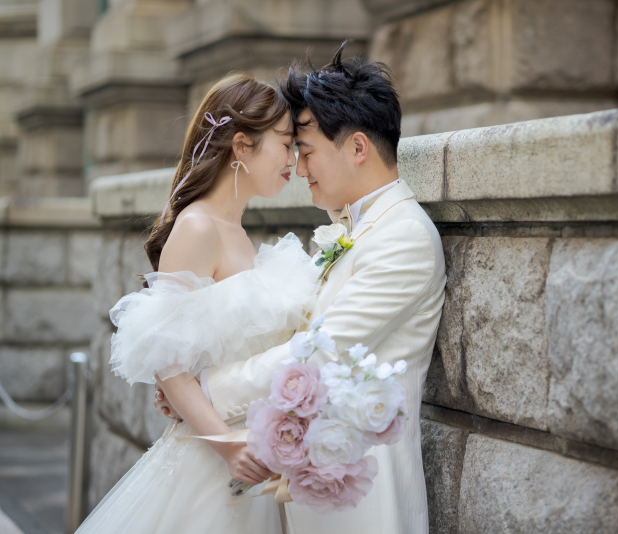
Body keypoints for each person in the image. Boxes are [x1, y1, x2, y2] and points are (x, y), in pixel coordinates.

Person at [158, 42, 447, 533]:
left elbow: (317, 354)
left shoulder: (403, 238)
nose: (300, 167)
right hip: (299, 489)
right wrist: (184, 384)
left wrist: (207, 389)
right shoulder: (351, 229)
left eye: (306, 150)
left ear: (357, 148)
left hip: (359, 503)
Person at [76, 73, 318, 534]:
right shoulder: (198, 226)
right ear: (242, 147)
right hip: (214, 458)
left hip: (247, 454)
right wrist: (226, 444)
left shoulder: (236, 231)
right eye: (286, 144)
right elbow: (167, 363)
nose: (294, 159)